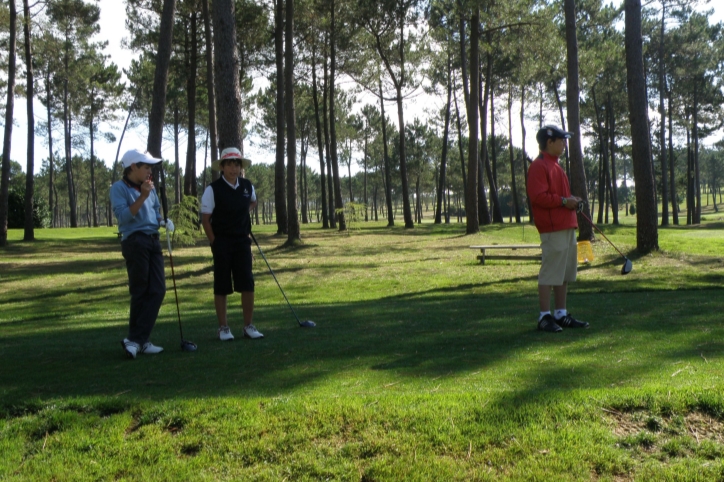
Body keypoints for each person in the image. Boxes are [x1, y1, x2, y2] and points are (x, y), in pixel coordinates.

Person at [110, 149, 174, 358]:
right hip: (135, 241)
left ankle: (136, 340)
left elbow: (154, 213)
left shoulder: (150, 188)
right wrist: (143, 195)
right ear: (133, 167)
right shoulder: (119, 188)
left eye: (151, 167)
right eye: (146, 166)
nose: (149, 170)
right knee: (140, 290)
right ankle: (139, 340)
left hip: (153, 241)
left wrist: (162, 221)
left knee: (158, 290)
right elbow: (124, 218)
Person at [527, 126, 589, 333]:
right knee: (550, 272)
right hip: (552, 228)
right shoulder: (539, 165)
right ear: (550, 142)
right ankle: (544, 316)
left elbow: (560, 198)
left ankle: (560, 314)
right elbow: (538, 197)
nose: (564, 143)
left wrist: (571, 201)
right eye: (561, 140)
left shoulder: (557, 167)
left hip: (566, 225)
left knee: (563, 273)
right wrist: (565, 201)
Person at [200, 147, 263, 341]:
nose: (233, 168)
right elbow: (205, 219)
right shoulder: (213, 189)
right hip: (222, 242)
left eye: (237, 164)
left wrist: (241, 213)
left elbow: (252, 202)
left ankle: (248, 326)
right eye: (229, 164)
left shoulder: (246, 186)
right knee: (222, 284)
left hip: (242, 241)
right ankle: (223, 328)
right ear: (222, 167)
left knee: (247, 283)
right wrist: (214, 242)